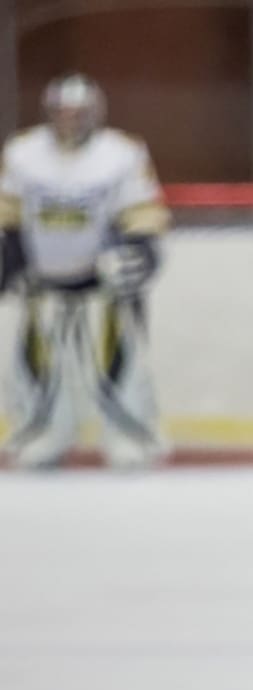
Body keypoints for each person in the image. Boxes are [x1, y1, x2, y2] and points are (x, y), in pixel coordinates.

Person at [1, 74, 169, 468]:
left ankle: (129, 434)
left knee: (117, 363)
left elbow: (143, 212)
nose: (69, 120)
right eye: (61, 112)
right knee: (39, 367)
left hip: (102, 286)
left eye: (77, 112)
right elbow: (8, 211)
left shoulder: (122, 153)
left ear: (95, 113)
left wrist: (137, 252)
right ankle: (41, 432)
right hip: (42, 283)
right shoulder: (22, 152)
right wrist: (10, 257)